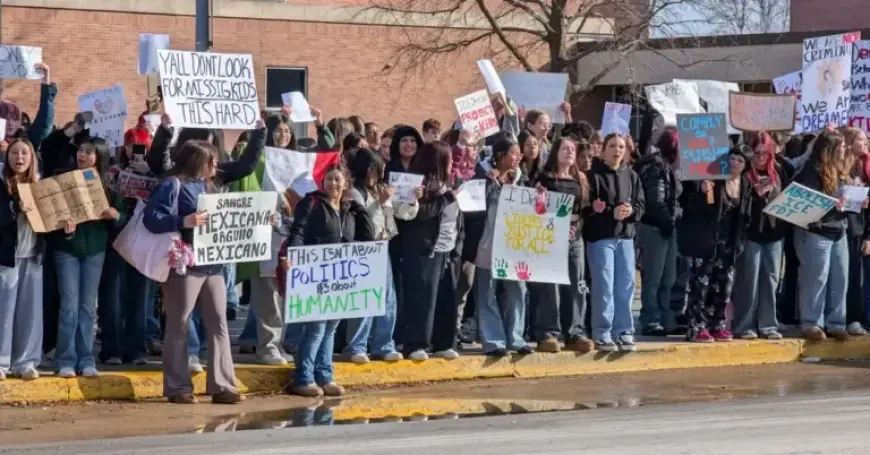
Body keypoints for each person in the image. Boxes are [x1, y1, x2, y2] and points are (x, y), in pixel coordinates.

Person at [143, 121, 266, 404]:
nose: (218, 163)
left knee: (219, 323)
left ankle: (223, 384)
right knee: (179, 323)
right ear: (199, 160)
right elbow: (152, 219)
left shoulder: (213, 185)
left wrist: (260, 132)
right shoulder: (172, 184)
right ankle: (177, 387)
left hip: (213, 264)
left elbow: (244, 171)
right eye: (213, 159)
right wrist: (182, 221)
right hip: (185, 266)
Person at [279, 164, 375, 397]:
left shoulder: (349, 208)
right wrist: (289, 255)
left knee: (330, 328)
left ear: (346, 184)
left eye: (338, 180)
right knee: (316, 328)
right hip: (315, 274)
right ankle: (304, 378)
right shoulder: (311, 203)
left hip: (341, 278)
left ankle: (325, 376)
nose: (334, 184)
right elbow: (298, 231)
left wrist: (360, 208)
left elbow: (368, 235)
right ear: (322, 182)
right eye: (330, 179)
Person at [46, 137, 128, 378]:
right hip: (67, 250)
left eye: (89, 152)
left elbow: (123, 214)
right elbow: (51, 215)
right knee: (69, 305)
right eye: (81, 151)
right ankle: (66, 360)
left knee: (87, 307)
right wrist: (63, 226)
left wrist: (116, 214)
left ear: (99, 156)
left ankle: (86, 359)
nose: (83, 155)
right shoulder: (64, 182)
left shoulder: (108, 187)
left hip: (95, 251)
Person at [679, 146, 751, 343]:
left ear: (745, 166)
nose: (735, 162)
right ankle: (696, 327)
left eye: (740, 160)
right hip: (705, 240)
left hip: (728, 244)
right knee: (700, 284)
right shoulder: (713, 180)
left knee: (722, 285)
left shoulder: (745, 184)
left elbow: (745, 217)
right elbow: (693, 207)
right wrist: (703, 192)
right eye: (732, 158)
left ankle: (717, 324)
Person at [530, 136, 593, 353]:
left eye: (572, 149)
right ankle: (548, 333)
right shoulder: (545, 179)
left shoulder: (580, 180)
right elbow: (536, 210)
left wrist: (577, 227)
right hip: (550, 238)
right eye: (565, 148)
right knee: (550, 287)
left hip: (575, 238)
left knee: (576, 286)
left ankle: (574, 332)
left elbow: (583, 211)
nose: (569, 152)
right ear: (556, 152)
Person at [401, 141, 464, 361]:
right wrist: (446, 198)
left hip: (448, 248)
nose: (451, 164)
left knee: (447, 297)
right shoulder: (420, 185)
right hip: (426, 249)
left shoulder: (450, 184)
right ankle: (416, 344)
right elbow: (419, 213)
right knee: (424, 298)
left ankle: (444, 342)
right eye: (447, 159)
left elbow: (458, 217)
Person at [584, 133, 644, 352]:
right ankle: (602, 332)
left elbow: (640, 205)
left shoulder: (632, 175)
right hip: (601, 237)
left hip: (625, 237)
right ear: (603, 150)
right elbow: (588, 206)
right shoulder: (592, 176)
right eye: (612, 146)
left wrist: (630, 212)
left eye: (620, 146)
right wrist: (610, 212)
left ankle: (624, 331)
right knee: (604, 286)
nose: (617, 150)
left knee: (626, 286)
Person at [474, 137, 534, 356]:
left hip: (514, 246)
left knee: (518, 289)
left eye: (519, 153)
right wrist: (493, 182)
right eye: (514, 153)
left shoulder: (522, 177)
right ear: (501, 156)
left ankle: (516, 338)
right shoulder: (484, 176)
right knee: (487, 292)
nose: (519, 157)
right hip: (488, 244)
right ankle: (493, 341)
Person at [343, 148, 403, 363]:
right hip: (363, 249)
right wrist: (380, 201)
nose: (383, 171)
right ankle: (357, 346)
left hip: (383, 246)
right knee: (364, 298)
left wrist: (411, 200)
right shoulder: (353, 192)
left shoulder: (379, 189)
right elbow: (364, 219)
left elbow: (399, 213)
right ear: (370, 169)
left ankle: (383, 345)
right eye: (380, 168)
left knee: (387, 298)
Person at [732, 133, 794, 340]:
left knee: (771, 279)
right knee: (748, 280)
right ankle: (744, 325)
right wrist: (753, 195)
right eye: (756, 153)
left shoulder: (779, 170)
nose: (760, 157)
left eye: (764, 153)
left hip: (775, 233)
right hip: (751, 234)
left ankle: (768, 324)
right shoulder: (744, 173)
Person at [793, 130, 852, 342]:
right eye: (841, 146)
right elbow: (806, 204)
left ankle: (836, 323)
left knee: (840, 278)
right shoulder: (810, 171)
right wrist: (831, 204)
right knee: (816, 278)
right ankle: (812, 323)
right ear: (829, 149)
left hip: (838, 230)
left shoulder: (841, 170)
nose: (844, 149)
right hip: (816, 232)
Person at [0, 139, 43, 380]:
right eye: (14, 152)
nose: (19, 157)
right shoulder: (1, 183)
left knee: (30, 311)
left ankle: (25, 362)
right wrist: (17, 207)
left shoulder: (39, 184)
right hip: (7, 257)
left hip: (33, 254)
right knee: (4, 310)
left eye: (24, 153)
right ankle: (1, 362)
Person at [634, 127, 682, 337]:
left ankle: (665, 317)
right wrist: (668, 221)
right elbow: (656, 200)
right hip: (655, 227)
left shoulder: (668, 166)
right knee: (654, 277)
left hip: (667, 226)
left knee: (668, 277)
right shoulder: (656, 166)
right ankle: (651, 319)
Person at [841, 127, 870, 336]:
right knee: (838, 277)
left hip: (857, 231)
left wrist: (868, 235)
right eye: (861, 139)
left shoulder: (861, 170)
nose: (866, 142)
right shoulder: (839, 169)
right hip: (838, 229)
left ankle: (854, 319)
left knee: (855, 276)